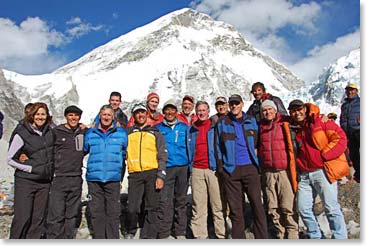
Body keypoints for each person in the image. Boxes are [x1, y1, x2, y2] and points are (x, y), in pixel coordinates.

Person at [288, 99, 349, 239]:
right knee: (303, 209)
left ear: (305, 109)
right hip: (304, 174)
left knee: (331, 208)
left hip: (322, 171)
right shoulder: (293, 128)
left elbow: (340, 138)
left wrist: (324, 155)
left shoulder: (319, 121)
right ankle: (317, 237)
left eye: (299, 109)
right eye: (293, 111)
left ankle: (340, 238)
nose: (297, 113)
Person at [215, 94, 267, 239]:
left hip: (250, 167)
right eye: (231, 104)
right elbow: (217, 147)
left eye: (236, 103)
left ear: (242, 104)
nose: (234, 106)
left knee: (257, 205)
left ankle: (262, 238)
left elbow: (258, 142)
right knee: (236, 210)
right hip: (231, 170)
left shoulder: (251, 121)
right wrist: (222, 168)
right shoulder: (222, 122)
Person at [7, 102, 55, 238]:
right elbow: (10, 159)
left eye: (43, 114)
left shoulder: (50, 132)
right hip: (26, 182)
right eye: (37, 114)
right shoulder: (21, 133)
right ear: (32, 115)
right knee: (23, 217)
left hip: (44, 182)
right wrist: (29, 168)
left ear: (47, 116)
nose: (40, 117)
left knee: (38, 220)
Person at [84, 104, 128, 239]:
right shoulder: (90, 133)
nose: (106, 117)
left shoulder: (121, 133)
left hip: (113, 178)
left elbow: (124, 152)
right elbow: (83, 150)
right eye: (104, 115)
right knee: (96, 212)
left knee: (113, 212)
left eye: (109, 115)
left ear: (113, 116)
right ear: (100, 115)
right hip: (94, 178)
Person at [125, 103, 167, 239]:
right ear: (134, 116)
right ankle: (131, 230)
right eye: (137, 113)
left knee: (152, 206)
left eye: (142, 112)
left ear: (146, 114)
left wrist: (160, 175)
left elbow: (162, 155)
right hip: (135, 173)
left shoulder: (155, 133)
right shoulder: (128, 133)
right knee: (132, 207)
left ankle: (149, 235)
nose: (140, 115)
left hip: (152, 172)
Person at [258, 100, 298, 239]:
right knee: (272, 207)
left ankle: (293, 235)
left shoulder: (285, 122)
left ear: (275, 110)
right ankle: (280, 235)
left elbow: (304, 115)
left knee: (288, 206)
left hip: (284, 171)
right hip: (268, 172)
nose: (267, 112)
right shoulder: (261, 126)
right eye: (264, 110)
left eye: (270, 109)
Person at [187, 100, 226, 239]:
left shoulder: (214, 126)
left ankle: (221, 235)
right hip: (197, 170)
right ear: (196, 113)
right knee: (198, 206)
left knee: (218, 204)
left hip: (212, 169)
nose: (201, 113)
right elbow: (189, 149)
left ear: (208, 112)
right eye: (199, 111)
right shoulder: (191, 129)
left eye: (203, 110)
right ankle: (200, 236)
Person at [46, 105, 85, 239]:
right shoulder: (56, 132)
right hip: (59, 178)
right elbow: (45, 149)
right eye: (70, 115)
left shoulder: (82, 132)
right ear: (65, 117)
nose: (73, 118)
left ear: (79, 118)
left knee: (72, 214)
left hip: (76, 178)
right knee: (56, 214)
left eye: (76, 115)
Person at [155, 99, 189, 239]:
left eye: (172, 110)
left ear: (176, 111)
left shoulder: (184, 127)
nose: (169, 112)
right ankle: (164, 232)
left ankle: (180, 231)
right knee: (165, 200)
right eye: (167, 110)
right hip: (166, 167)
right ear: (163, 112)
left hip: (182, 167)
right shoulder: (158, 128)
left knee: (181, 200)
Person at [340, 82, 360, 183]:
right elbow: (342, 118)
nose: (349, 92)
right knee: (353, 154)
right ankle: (359, 173)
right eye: (348, 90)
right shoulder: (344, 105)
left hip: (359, 130)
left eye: (352, 90)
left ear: (356, 91)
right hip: (348, 133)